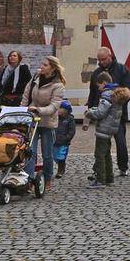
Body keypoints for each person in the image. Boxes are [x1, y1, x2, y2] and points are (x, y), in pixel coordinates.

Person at [85, 46, 130, 178]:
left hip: (117, 114)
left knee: (120, 141)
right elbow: (93, 92)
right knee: (102, 145)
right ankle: (99, 170)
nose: (101, 62)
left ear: (110, 56)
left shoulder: (122, 70)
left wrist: (119, 102)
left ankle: (123, 167)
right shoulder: (97, 73)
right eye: (99, 60)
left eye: (104, 59)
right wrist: (91, 108)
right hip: (102, 114)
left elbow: (129, 89)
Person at [20, 55, 66, 191]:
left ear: (52, 68)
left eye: (45, 65)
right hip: (33, 120)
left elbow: (54, 106)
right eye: (42, 64)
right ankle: (28, 181)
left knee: (47, 154)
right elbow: (26, 94)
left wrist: (39, 110)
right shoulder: (36, 78)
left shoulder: (58, 85)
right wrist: (23, 110)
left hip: (47, 121)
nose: (42, 66)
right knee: (30, 151)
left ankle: (47, 179)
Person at [85, 72, 128, 188]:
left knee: (99, 154)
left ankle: (100, 180)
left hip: (103, 129)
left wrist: (90, 113)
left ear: (104, 83)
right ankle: (109, 178)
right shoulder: (115, 94)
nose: (98, 89)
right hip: (111, 128)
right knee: (106, 154)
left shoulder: (106, 95)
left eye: (99, 86)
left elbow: (101, 113)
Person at [53, 100, 76, 179]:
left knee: (61, 157)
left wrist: (67, 138)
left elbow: (72, 131)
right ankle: (60, 164)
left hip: (64, 142)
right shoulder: (55, 118)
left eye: (60, 108)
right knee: (55, 156)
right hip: (55, 141)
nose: (58, 110)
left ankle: (60, 170)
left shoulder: (70, 119)